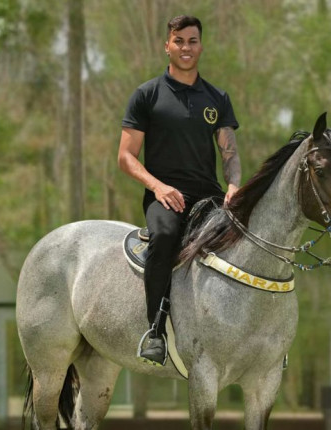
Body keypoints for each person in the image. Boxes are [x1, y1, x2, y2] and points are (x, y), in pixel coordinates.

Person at [117, 15, 242, 366]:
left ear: (201, 46)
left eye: (192, 41)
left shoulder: (217, 98)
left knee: (246, 239)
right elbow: (125, 157)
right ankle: (155, 331)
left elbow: (229, 153)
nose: (186, 47)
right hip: (165, 197)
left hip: (209, 197)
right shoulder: (147, 95)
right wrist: (157, 187)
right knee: (165, 236)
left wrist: (234, 184)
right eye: (179, 41)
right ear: (167, 46)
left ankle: (255, 336)